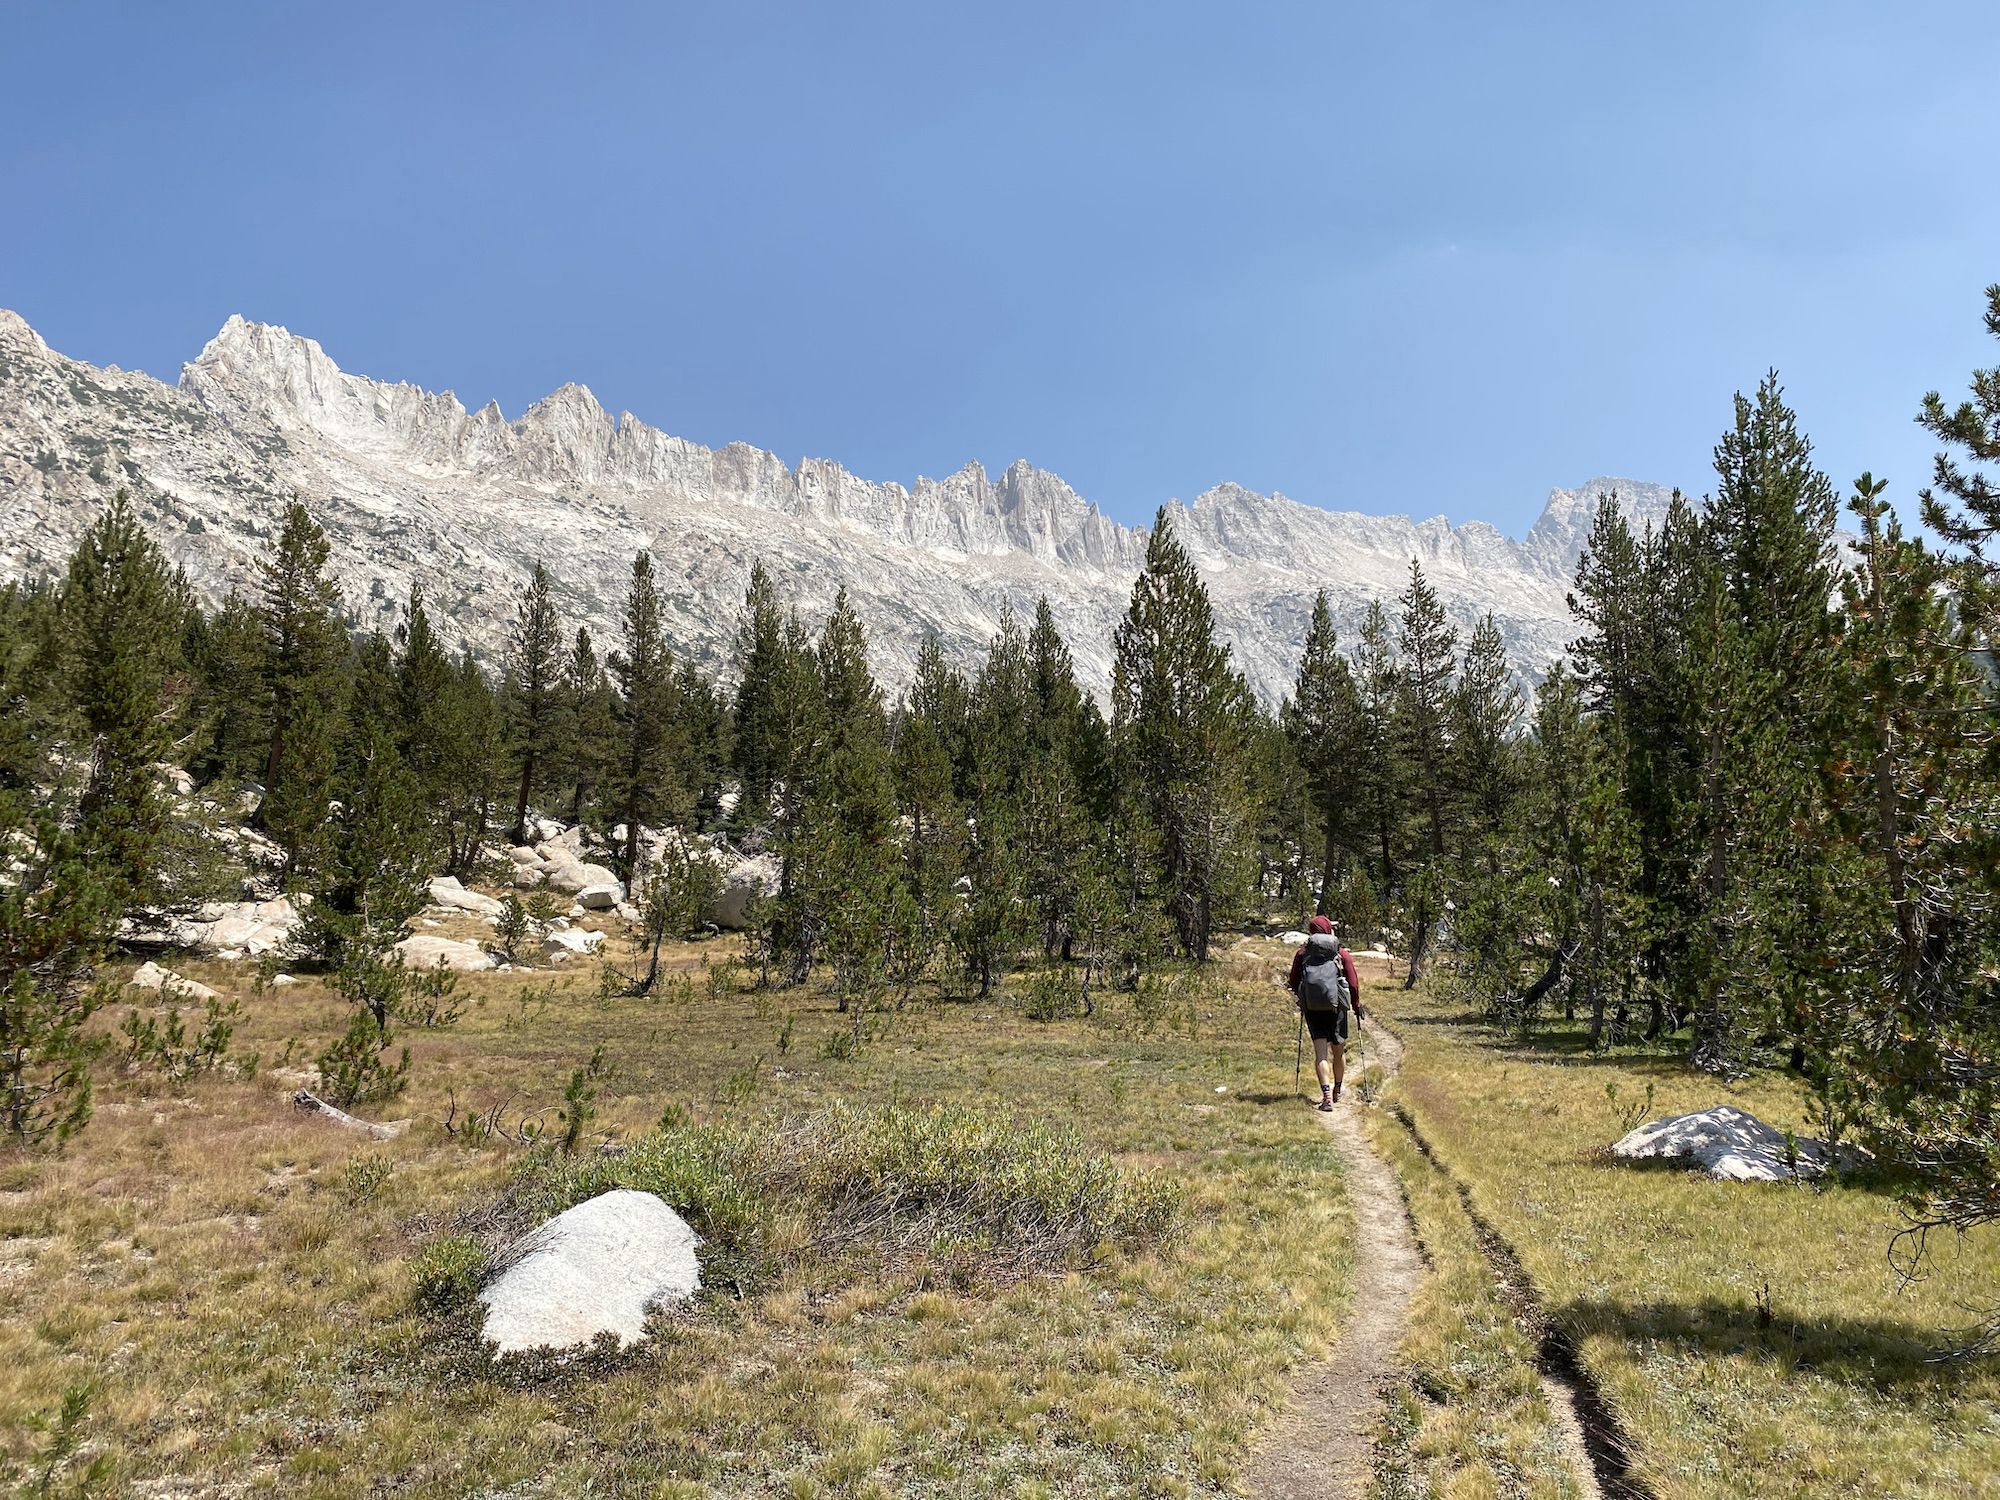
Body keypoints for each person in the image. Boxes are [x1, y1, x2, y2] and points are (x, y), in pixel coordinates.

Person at [1288, 914, 1365, 1110]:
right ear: (1328, 929)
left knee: (1320, 1052)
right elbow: (1353, 983)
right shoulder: (1340, 953)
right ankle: (1337, 1090)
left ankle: (1326, 1097)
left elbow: (1293, 981)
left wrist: (1302, 998)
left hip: (1313, 1007)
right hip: (1337, 1006)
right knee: (1338, 1051)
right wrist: (1356, 1006)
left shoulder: (1302, 953)